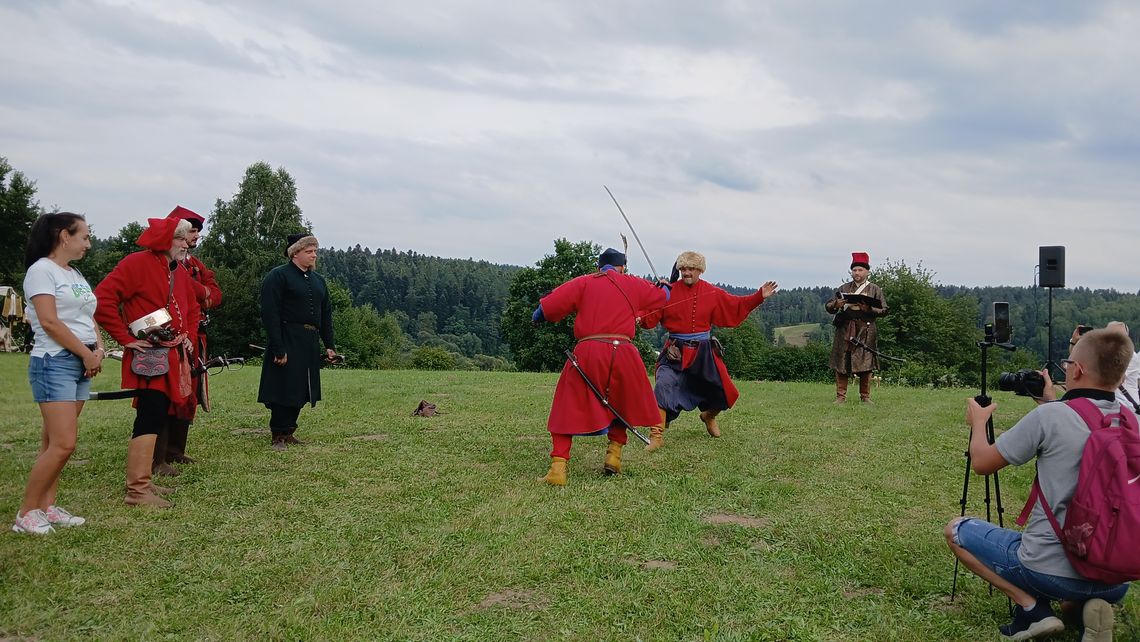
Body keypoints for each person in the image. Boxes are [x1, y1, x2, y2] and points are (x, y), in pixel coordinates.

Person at [946, 328, 1134, 641]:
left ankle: (1032, 609)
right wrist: (1050, 402)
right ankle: (1087, 604)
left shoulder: (1050, 417)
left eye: (1068, 362)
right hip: (1117, 575)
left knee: (956, 530)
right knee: (1079, 589)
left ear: (1079, 369)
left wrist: (978, 424)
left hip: (1048, 569)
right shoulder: (1132, 421)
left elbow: (982, 463)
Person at [532, 248, 666, 485]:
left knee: (567, 404)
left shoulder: (584, 282)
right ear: (622, 267)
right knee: (621, 402)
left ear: (598, 267)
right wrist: (665, 286)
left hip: (589, 351)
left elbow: (546, 309)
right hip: (625, 352)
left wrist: (538, 316)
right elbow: (663, 297)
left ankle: (558, 468)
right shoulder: (634, 283)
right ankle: (613, 456)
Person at [95, 217, 201, 508]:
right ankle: (137, 489)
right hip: (149, 356)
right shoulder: (135, 264)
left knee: (157, 414)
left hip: (173, 354)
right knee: (150, 414)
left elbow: (192, 308)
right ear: (164, 241)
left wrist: (188, 336)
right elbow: (102, 299)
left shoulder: (178, 271)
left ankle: (144, 481)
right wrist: (123, 337)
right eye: (179, 239)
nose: (185, 244)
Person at [12, 213, 103, 534]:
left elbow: (88, 315)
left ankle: (46, 507)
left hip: (81, 360)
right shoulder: (41, 272)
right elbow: (49, 322)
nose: (88, 244)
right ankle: (26, 513)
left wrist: (99, 349)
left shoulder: (74, 273)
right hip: (55, 362)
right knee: (64, 444)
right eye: (84, 237)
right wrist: (85, 353)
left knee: (53, 441)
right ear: (64, 236)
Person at [637, 251, 778, 450]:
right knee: (663, 385)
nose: (686, 273)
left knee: (725, 391)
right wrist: (643, 312)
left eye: (691, 269)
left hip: (704, 353)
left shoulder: (712, 292)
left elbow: (736, 305)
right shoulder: (667, 291)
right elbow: (649, 315)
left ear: (700, 270)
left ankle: (708, 416)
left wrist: (758, 297)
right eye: (683, 269)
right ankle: (656, 436)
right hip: (674, 352)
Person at [150, 205, 223, 475]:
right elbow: (194, 291)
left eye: (194, 233)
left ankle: (175, 451)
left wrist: (203, 293)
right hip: (165, 336)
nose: (193, 238)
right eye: (190, 232)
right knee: (164, 396)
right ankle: (157, 456)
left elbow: (214, 293)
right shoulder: (164, 263)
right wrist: (199, 291)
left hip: (194, 336)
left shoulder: (193, 263)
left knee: (188, 394)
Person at [257, 233, 337, 451]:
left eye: (315, 251)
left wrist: (329, 345)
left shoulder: (318, 281)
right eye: (309, 251)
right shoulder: (278, 276)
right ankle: (278, 434)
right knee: (284, 385)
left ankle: (290, 430)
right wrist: (278, 346)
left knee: (303, 387)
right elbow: (270, 313)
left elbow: (326, 315)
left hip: (309, 340)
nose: (314, 256)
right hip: (287, 336)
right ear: (295, 253)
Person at [824, 252, 887, 403]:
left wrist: (869, 309)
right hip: (845, 329)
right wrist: (836, 305)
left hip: (866, 330)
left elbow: (884, 310)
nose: (857, 273)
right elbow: (828, 306)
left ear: (867, 272)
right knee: (842, 362)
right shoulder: (843, 287)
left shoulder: (875, 289)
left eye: (860, 270)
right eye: (854, 270)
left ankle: (865, 397)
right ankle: (840, 397)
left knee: (866, 364)